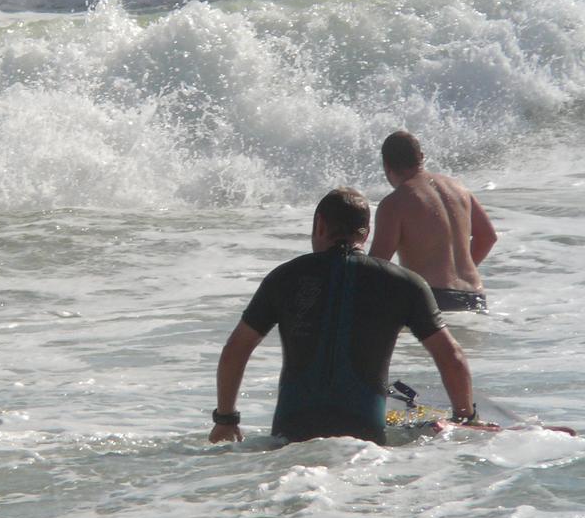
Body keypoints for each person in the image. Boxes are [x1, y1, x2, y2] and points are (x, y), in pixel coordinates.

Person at [208, 188, 476, 446]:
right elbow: (451, 357)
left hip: (292, 433)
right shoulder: (405, 283)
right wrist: (466, 418)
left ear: (320, 225)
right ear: (367, 232)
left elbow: (236, 350)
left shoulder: (284, 278)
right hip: (364, 437)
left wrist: (226, 419)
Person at [369, 130, 497, 312]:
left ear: (386, 166)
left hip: (432, 298)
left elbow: (376, 268)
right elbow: (487, 237)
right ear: (421, 157)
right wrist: (458, 274)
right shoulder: (460, 189)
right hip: (474, 297)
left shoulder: (395, 203)